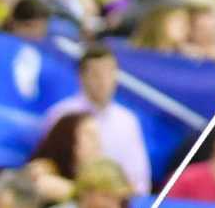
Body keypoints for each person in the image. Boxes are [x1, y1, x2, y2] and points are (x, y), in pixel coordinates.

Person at [42, 43, 153, 191]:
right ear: (81, 76)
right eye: (96, 74)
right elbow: (48, 166)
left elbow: (139, 181)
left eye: (109, 72)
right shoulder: (62, 115)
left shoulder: (127, 121)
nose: (103, 81)